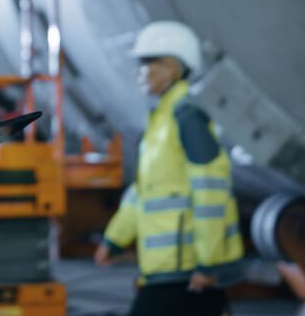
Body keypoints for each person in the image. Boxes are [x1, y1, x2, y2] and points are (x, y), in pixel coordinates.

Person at [94, 21, 243, 316]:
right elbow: (144, 192)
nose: (143, 71)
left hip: (187, 270)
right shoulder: (161, 119)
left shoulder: (187, 117)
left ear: (174, 67)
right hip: (165, 269)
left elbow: (211, 192)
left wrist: (208, 263)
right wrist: (114, 239)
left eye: (150, 62)